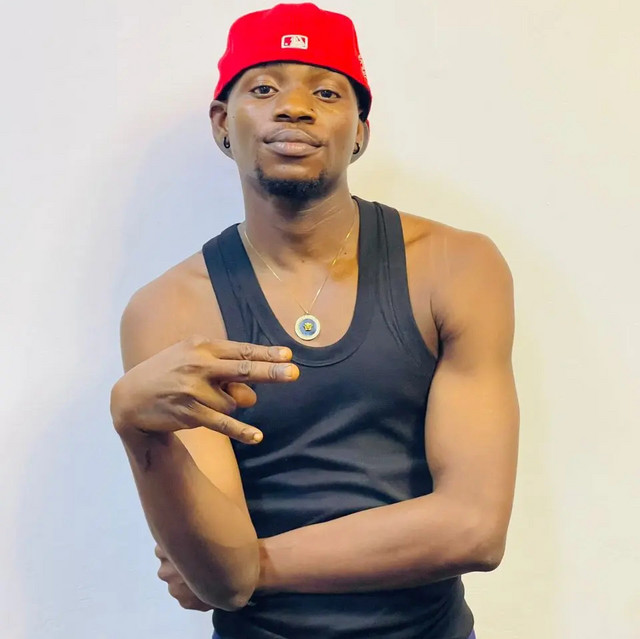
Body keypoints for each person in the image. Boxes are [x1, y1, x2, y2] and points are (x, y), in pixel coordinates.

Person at [109, 3, 519, 638]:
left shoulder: (456, 266)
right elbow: (217, 578)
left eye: (326, 92)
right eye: (263, 88)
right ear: (222, 123)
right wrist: (136, 429)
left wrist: (246, 566)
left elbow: (474, 528)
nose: (294, 107)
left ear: (360, 131)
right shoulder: (169, 309)